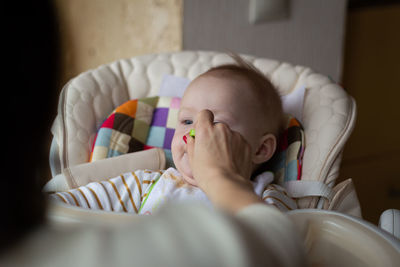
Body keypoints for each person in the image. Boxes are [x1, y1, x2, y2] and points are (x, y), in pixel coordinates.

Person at [50, 57, 298, 215]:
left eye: (216, 124)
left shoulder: (267, 196)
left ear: (261, 149)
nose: (193, 133)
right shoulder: (146, 185)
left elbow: (284, 248)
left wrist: (221, 178)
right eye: (187, 121)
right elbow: (63, 208)